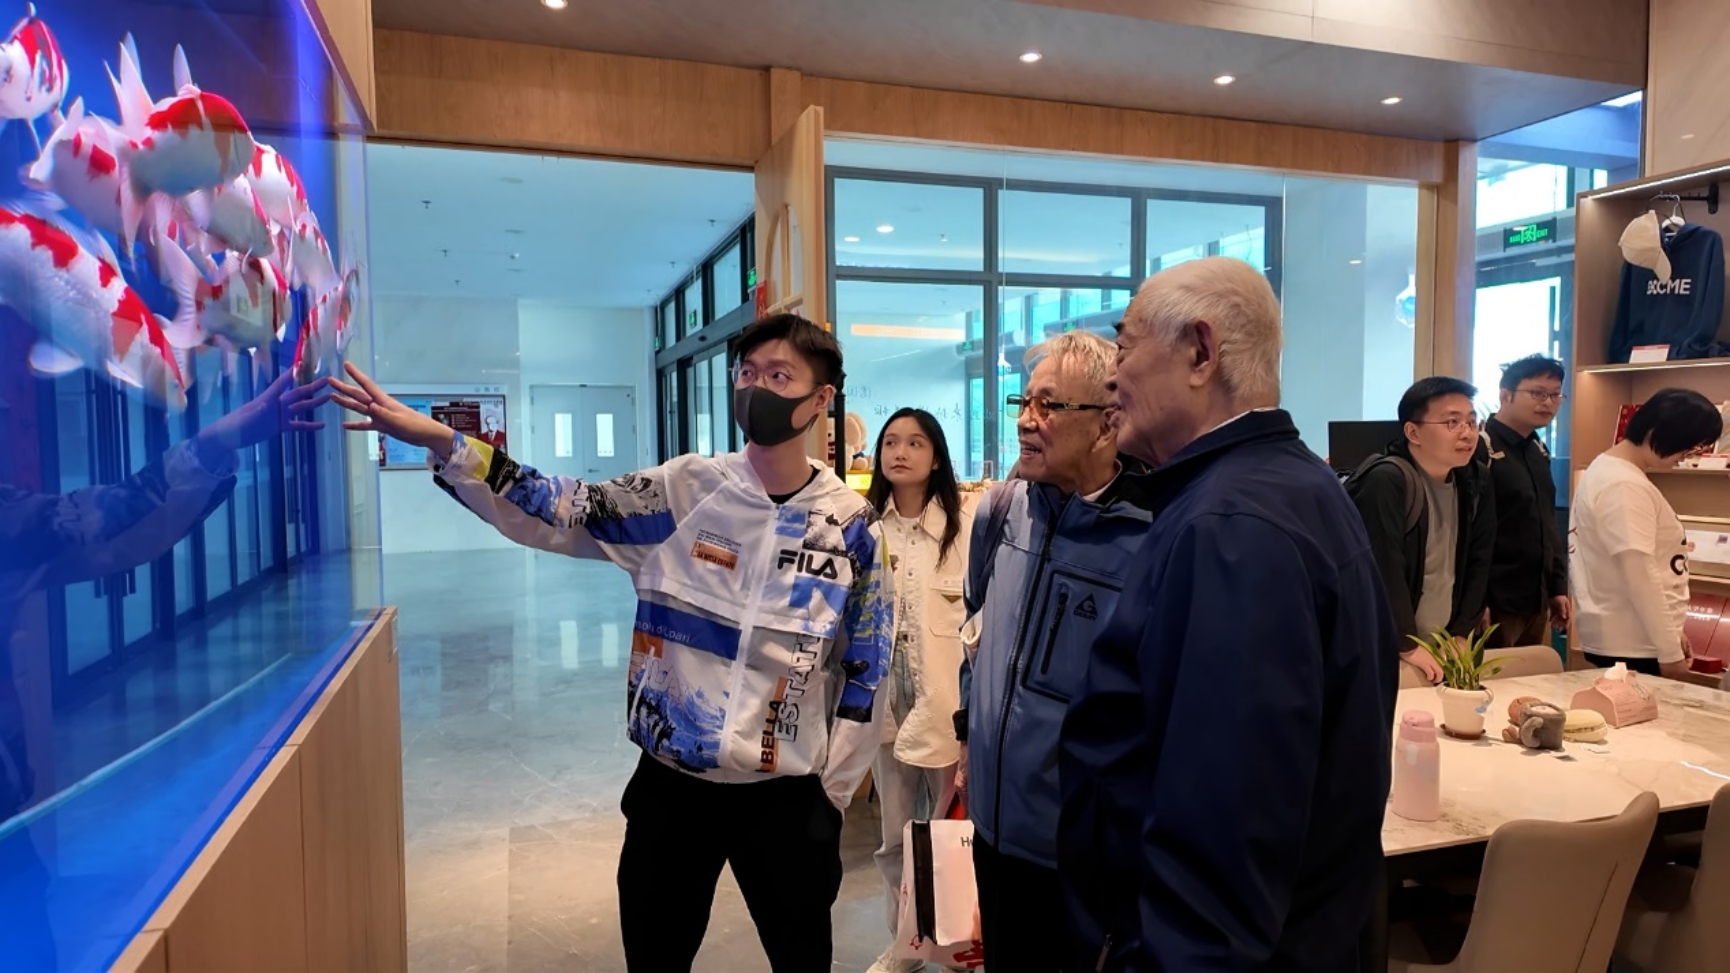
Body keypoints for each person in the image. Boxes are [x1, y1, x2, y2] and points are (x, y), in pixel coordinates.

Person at [328, 313, 893, 973]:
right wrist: (450, 444)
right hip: (673, 789)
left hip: (785, 799)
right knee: (654, 956)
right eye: (747, 372)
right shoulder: (685, 491)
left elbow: (868, 669)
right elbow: (560, 505)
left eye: (778, 376)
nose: (755, 388)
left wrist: (833, 794)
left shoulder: (851, 527)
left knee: (802, 959)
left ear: (821, 398)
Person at [1059, 256, 1399, 971]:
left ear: (1200, 352)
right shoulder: (1290, 485)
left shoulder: (1231, 526)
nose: (1112, 377)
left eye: (1125, 347)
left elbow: (1223, 828)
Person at [956, 330, 1154, 973]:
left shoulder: (1150, 540)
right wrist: (966, 734)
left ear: (1107, 424)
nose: (1025, 420)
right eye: (1024, 402)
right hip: (993, 833)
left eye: (1048, 406)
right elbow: (974, 632)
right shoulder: (1001, 513)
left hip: (1080, 858)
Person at [862, 408, 972, 973]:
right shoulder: (866, 529)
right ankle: (903, 944)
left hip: (945, 707)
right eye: (890, 442)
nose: (900, 452)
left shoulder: (964, 528)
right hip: (884, 704)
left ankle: (957, 945)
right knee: (894, 836)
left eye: (915, 443)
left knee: (954, 831)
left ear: (936, 457)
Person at [1346, 377, 1496, 677]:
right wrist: (1406, 644)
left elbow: (1480, 559)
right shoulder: (1386, 480)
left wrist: (1461, 633)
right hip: (1389, 646)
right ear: (1413, 432)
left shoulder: (1475, 478)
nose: (1467, 433)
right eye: (1452, 422)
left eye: (1471, 422)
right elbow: (1382, 566)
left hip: (1445, 646)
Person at [1570, 388, 1723, 679]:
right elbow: (1640, 575)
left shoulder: (1613, 472)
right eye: (1688, 447)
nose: (1687, 456)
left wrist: (1671, 634)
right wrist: (1669, 651)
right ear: (1659, 431)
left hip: (1633, 638)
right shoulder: (1623, 484)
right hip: (1632, 644)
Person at [1480, 355, 1571, 648]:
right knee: (1492, 675)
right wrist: (1474, 601)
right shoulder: (1481, 447)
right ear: (1505, 395)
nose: (1548, 403)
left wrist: (1557, 587)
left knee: (1532, 674)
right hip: (1495, 600)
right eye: (1537, 393)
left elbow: (1547, 524)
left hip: (1536, 599)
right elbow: (1468, 533)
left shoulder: (1538, 450)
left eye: (1555, 395)